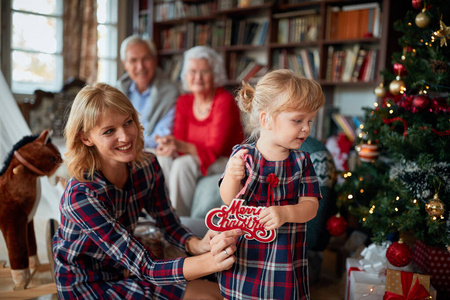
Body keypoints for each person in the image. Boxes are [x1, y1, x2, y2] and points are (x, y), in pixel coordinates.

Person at [52, 83, 242, 300]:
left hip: (126, 272)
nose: (125, 137)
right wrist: (212, 261)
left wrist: (198, 245)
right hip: (85, 287)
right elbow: (147, 267)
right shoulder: (81, 196)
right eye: (109, 131)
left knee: (217, 294)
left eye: (128, 122)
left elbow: (169, 224)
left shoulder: (147, 165)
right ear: (86, 138)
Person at [218, 69, 325, 300]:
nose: (306, 128)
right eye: (298, 120)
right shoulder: (243, 155)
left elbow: (311, 206)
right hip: (246, 249)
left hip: (284, 254)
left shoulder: (302, 161)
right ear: (266, 119)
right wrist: (232, 177)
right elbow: (228, 200)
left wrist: (286, 212)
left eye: (310, 121)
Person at [155, 46, 245, 216]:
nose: (197, 77)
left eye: (204, 71)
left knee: (184, 164)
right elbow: (180, 139)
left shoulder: (224, 100)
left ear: (215, 75)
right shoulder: (184, 101)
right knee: (163, 157)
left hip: (225, 159)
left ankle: (179, 220)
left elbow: (215, 149)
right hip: (198, 156)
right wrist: (170, 145)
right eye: (192, 71)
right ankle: (162, 214)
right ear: (185, 75)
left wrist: (178, 145)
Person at [117, 35, 178, 150]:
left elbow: (162, 134)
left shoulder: (170, 93)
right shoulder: (117, 91)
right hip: (121, 148)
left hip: (151, 150)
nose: (140, 67)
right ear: (125, 65)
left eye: (146, 59)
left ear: (155, 60)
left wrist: (131, 144)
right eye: (133, 60)